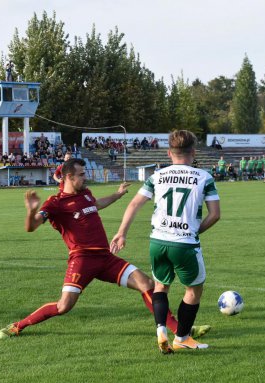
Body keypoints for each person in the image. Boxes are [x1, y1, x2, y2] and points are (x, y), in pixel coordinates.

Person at [0, 157, 209, 343]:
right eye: (81, 175)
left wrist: (117, 195)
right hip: (82, 260)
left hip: (106, 258)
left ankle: (181, 330)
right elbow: (31, 226)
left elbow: (96, 204)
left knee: (147, 284)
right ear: (69, 177)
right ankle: (18, 326)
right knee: (64, 306)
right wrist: (31, 211)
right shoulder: (55, 203)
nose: (85, 178)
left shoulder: (86, 194)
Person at [110, 130, 220, 353]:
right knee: (193, 290)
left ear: (170, 153)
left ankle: (161, 328)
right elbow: (215, 214)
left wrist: (121, 232)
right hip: (185, 243)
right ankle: (182, 338)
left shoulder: (156, 176)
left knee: (160, 286)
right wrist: (195, 232)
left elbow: (134, 205)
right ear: (193, 152)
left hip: (158, 241)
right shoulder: (204, 177)